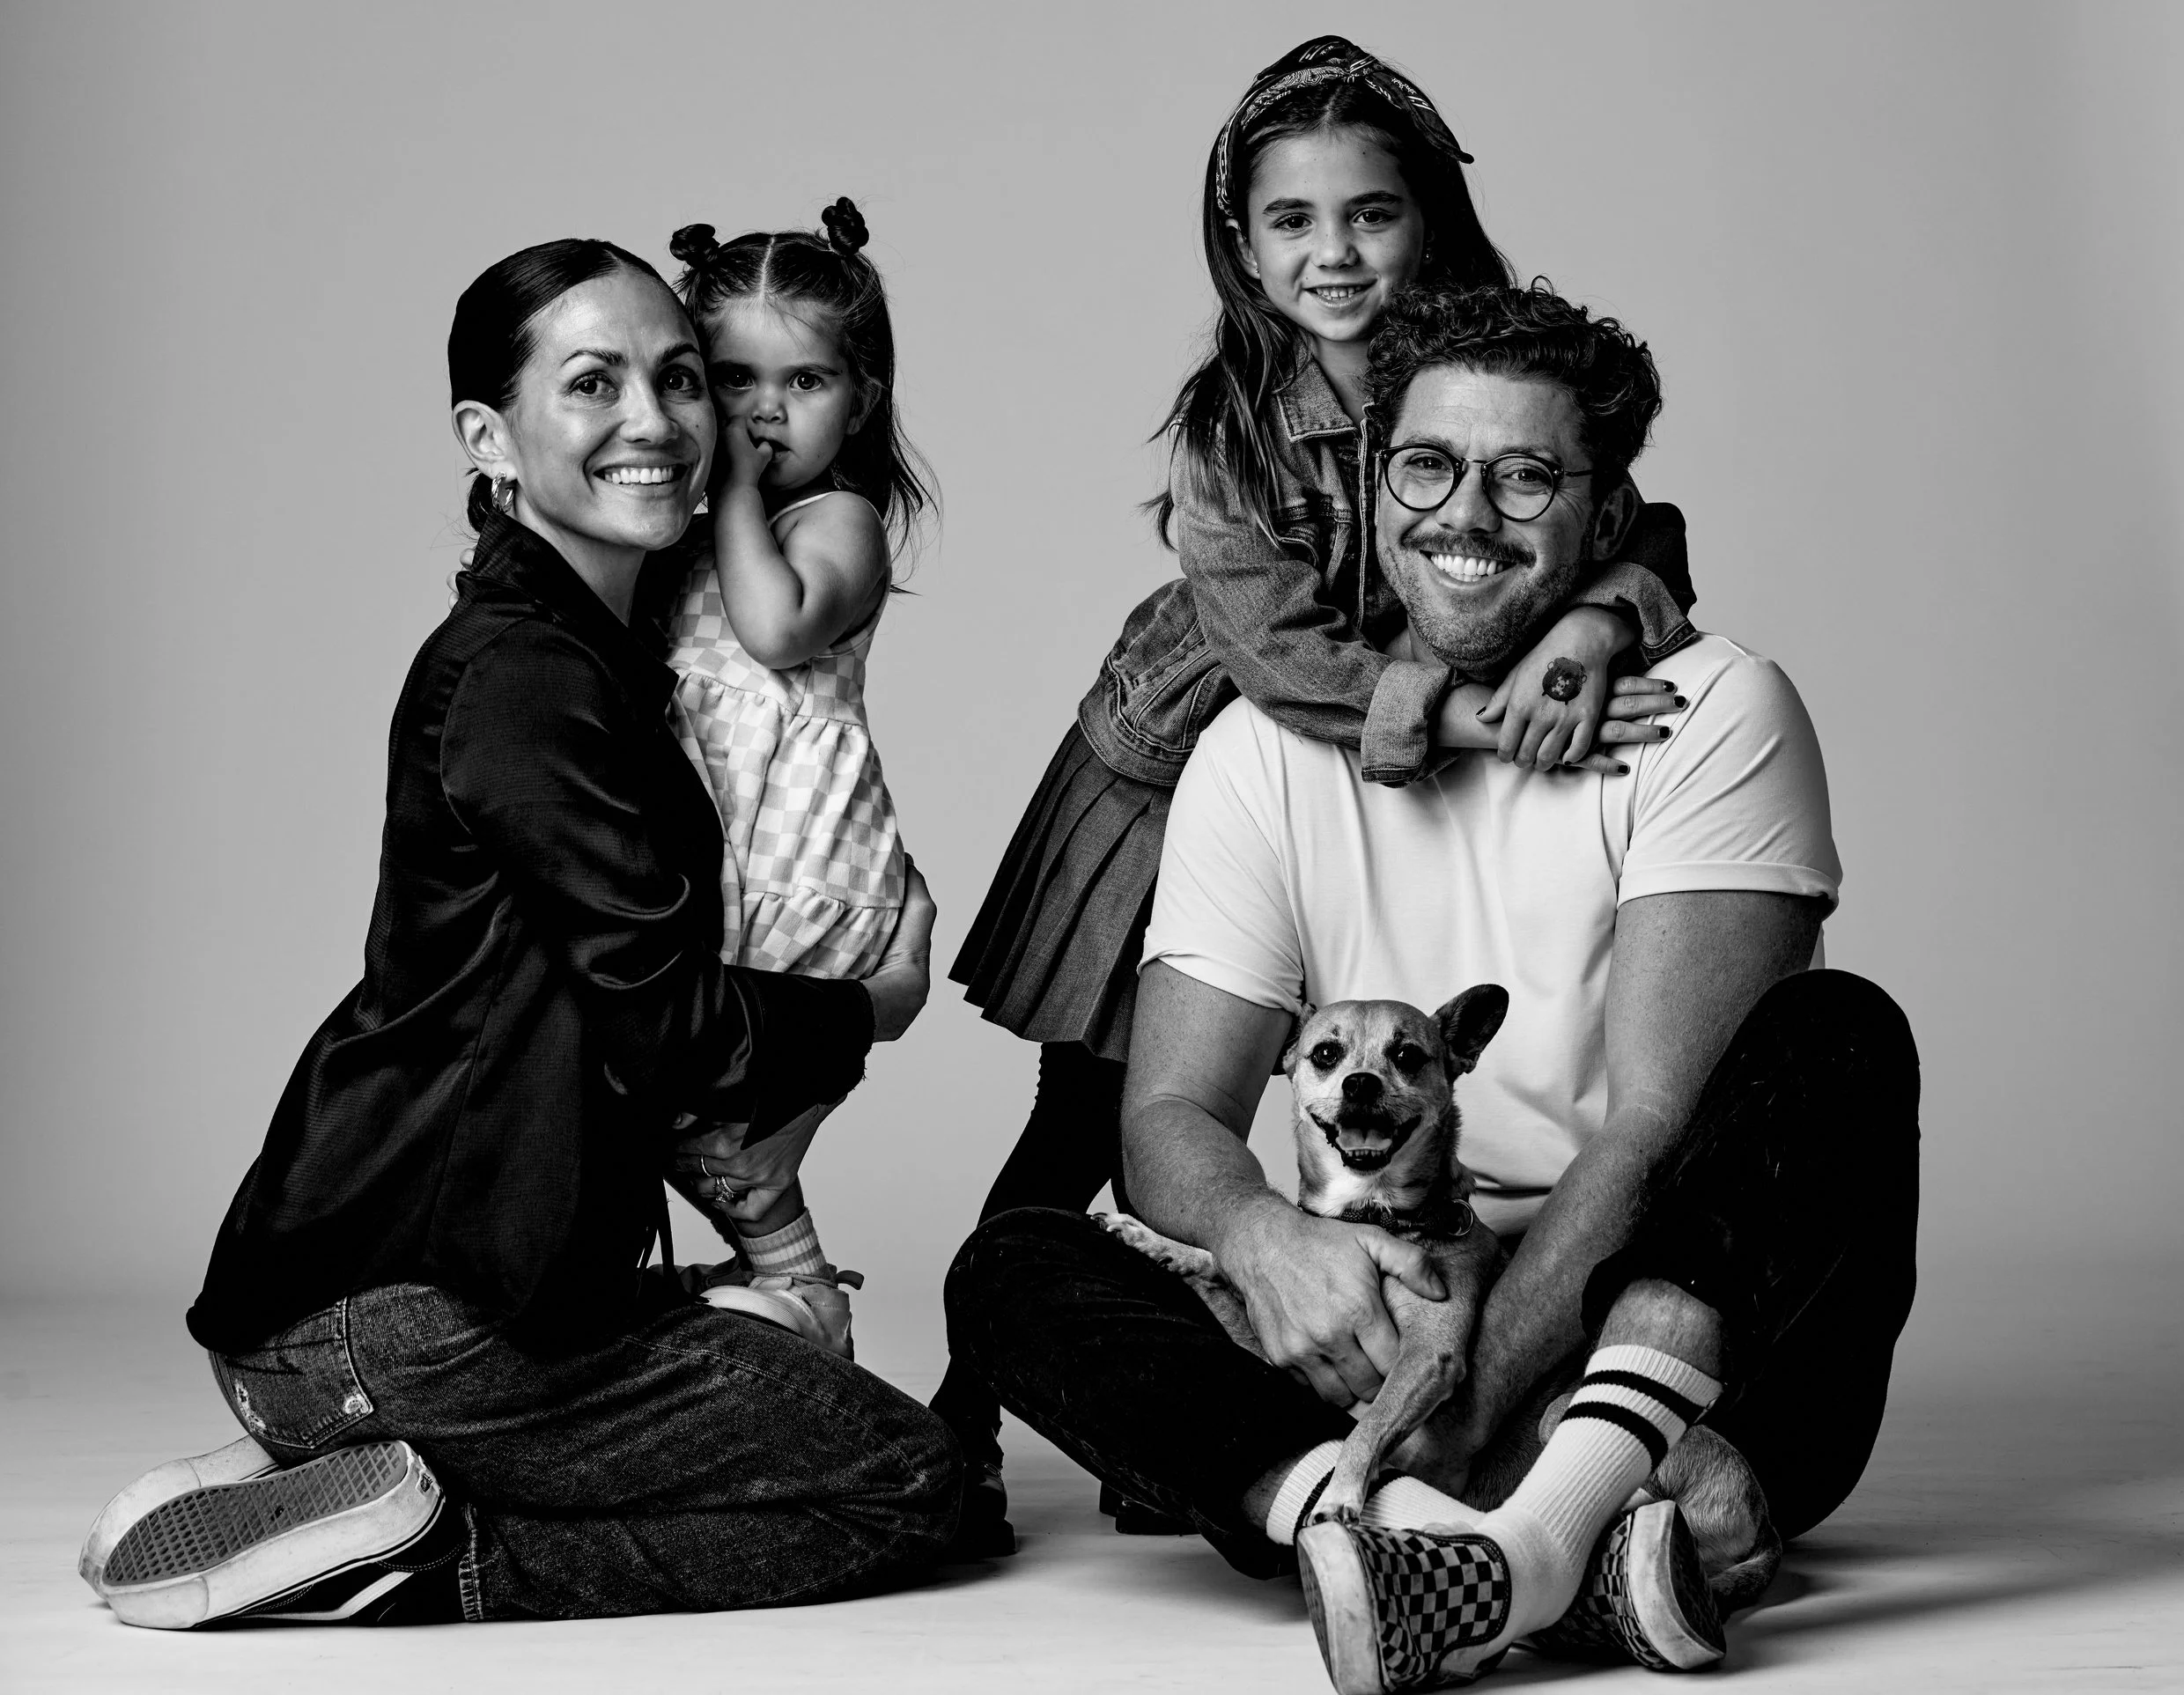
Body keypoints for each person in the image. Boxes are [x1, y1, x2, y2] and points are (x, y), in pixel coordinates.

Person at [947, 283, 1919, 1691]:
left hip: (1655, 1333)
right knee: (1013, 1266)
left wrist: (1457, 1409)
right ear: (1373, 482)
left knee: (1837, 1038)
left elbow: (1653, 1131)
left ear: (1605, 513)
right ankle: (1472, 1545)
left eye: (1525, 476)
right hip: (1379, 1335)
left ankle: (1510, 1512)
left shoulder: (1714, 713)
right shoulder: (1261, 754)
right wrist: (1267, 1243)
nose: (1465, 513)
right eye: (1427, 465)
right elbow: (1168, 1116)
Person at [78, 239, 959, 1631]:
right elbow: (665, 1027)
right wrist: (876, 1007)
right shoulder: (528, 678)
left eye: (679, 379)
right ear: (490, 439)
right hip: (395, 1319)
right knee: (915, 1484)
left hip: (446, 1297)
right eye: (593, 384)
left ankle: (351, 1475)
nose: (657, 419)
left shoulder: (604, 652)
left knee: (781, 1368)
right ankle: (419, 1543)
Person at [933, 35, 1699, 1549]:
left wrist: (1603, 618)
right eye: (1292, 221)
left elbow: (1628, 518)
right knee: (1097, 1117)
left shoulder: (1485, 376)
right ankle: (964, 1422)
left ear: (1431, 222)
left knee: (1301, 1064)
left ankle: (1209, 1431)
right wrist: (1465, 714)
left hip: (1343, 781)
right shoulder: (1230, 430)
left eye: (1371, 214)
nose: (1332, 254)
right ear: (1241, 242)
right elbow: (1280, 661)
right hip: (1181, 771)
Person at [645, 200, 933, 1348]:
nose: (764, 411)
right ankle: (789, 1294)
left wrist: (730, 493)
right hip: (715, 859)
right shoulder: (685, 529)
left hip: (796, 865)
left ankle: (800, 1301)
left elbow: (774, 629)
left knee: (703, 1117)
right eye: (733, 380)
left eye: (804, 381)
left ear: (858, 400)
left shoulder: (837, 518)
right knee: (680, 1124)